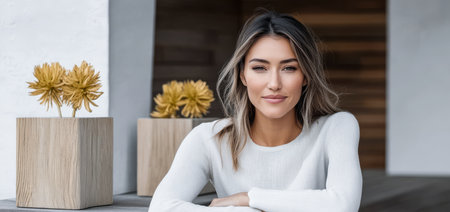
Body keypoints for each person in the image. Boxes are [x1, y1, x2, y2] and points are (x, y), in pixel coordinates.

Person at [148, 10, 362, 212]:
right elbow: (161, 207)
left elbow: (342, 205)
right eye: (260, 68)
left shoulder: (337, 127)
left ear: (305, 75)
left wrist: (249, 198)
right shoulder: (209, 138)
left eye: (289, 68)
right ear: (243, 75)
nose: (274, 83)